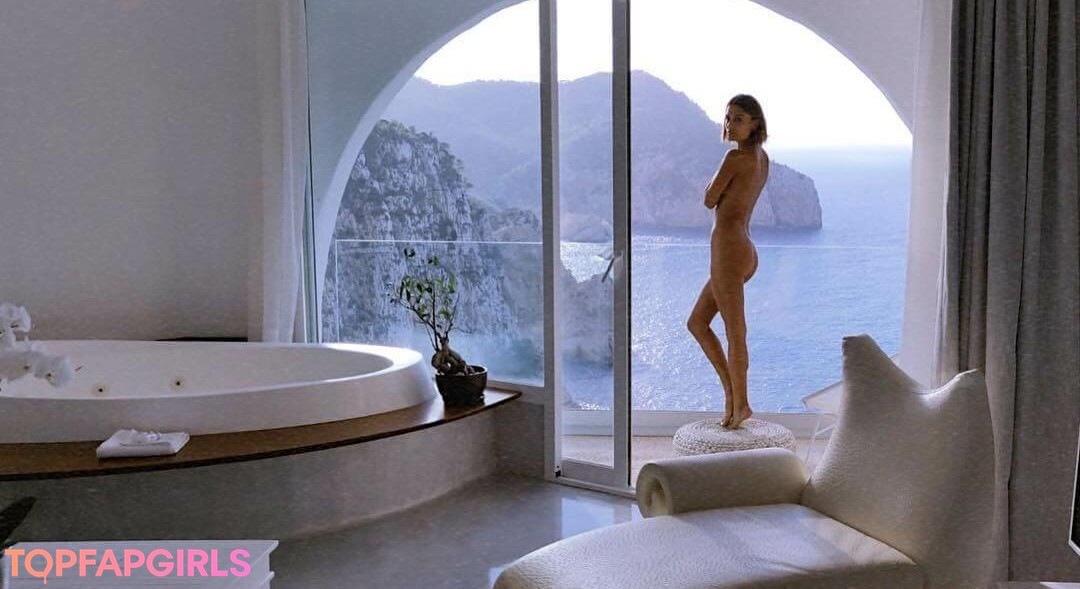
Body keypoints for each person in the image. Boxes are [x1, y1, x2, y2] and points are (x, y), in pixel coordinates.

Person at [686, 94, 769, 430]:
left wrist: (712, 182)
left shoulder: (734, 158)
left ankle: (742, 404)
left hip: (729, 248)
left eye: (738, 119)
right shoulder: (762, 158)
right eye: (728, 118)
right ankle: (732, 395)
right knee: (697, 323)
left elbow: (709, 199)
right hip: (744, 248)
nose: (730, 125)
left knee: (736, 334)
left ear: (755, 124)